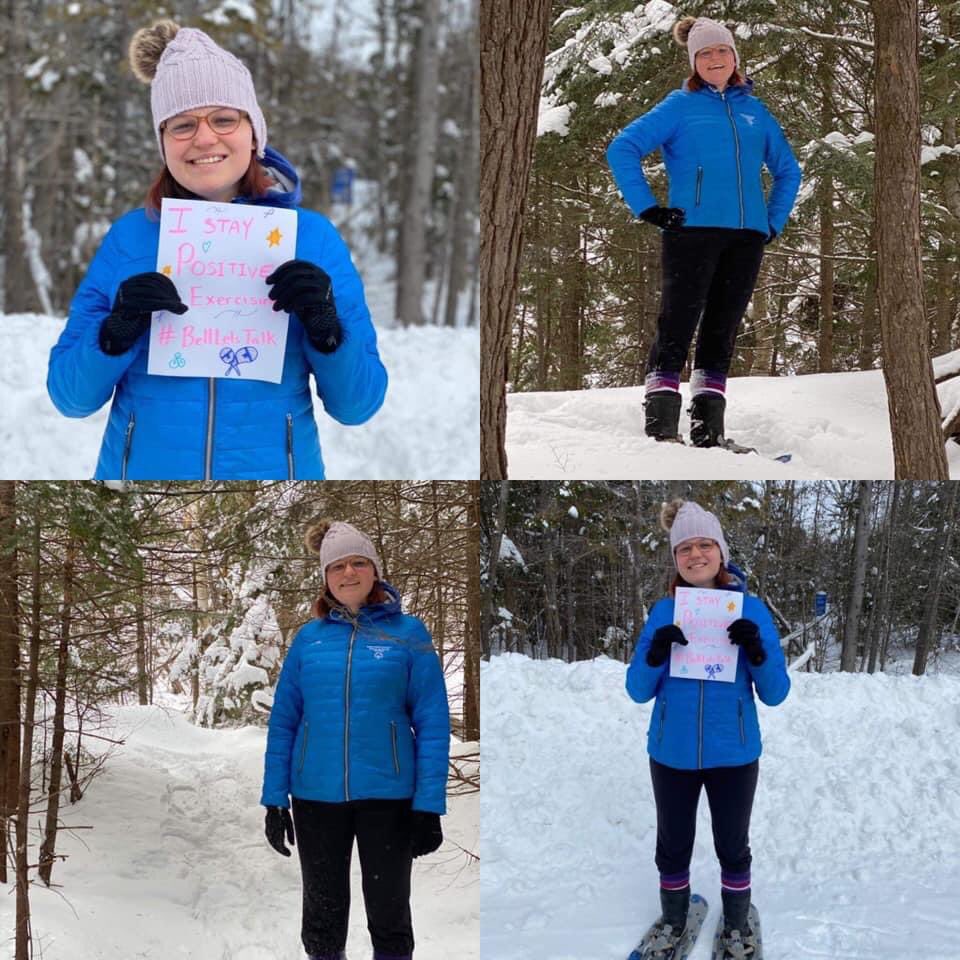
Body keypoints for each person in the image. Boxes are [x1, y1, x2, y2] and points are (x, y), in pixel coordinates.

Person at [47, 21, 387, 479]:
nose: (205, 139)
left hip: (273, 481)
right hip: (143, 484)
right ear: (163, 141)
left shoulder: (311, 238)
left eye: (224, 119)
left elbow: (358, 405)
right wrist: (116, 331)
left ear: (253, 132)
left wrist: (327, 330)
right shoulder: (129, 239)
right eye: (183, 125)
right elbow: (69, 397)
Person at [607, 16, 801, 448]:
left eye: (722, 51)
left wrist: (771, 222)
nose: (716, 59)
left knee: (722, 327)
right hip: (691, 231)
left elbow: (788, 170)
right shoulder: (680, 106)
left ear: (735, 56)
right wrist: (647, 207)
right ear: (694, 62)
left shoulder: (755, 111)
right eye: (706, 53)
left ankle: (709, 433)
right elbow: (622, 147)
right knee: (677, 322)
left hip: (747, 236)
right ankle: (660, 429)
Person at [260, 519, 450, 960]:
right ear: (325, 577)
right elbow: (285, 721)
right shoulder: (308, 640)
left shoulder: (409, 634)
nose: (349, 573)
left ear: (375, 570)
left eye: (358, 562)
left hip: (389, 799)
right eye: (337, 566)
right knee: (323, 921)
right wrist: (274, 799)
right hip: (315, 797)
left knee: (389, 918)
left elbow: (433, 721)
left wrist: (428, 805)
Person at [625, 499, 790, 958]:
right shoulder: (664, 611)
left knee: (732, 846)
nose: (695, 555)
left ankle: (737, 923)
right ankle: (673, 919)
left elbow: (776, 692)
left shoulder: (750, 611)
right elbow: (637, 690)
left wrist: (755, 652)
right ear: (674, 558)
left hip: (733, 753)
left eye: (704, 545)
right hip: (671, 752)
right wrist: (654, 654)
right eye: (684, 549)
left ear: (720, 550)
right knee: (672, 846)